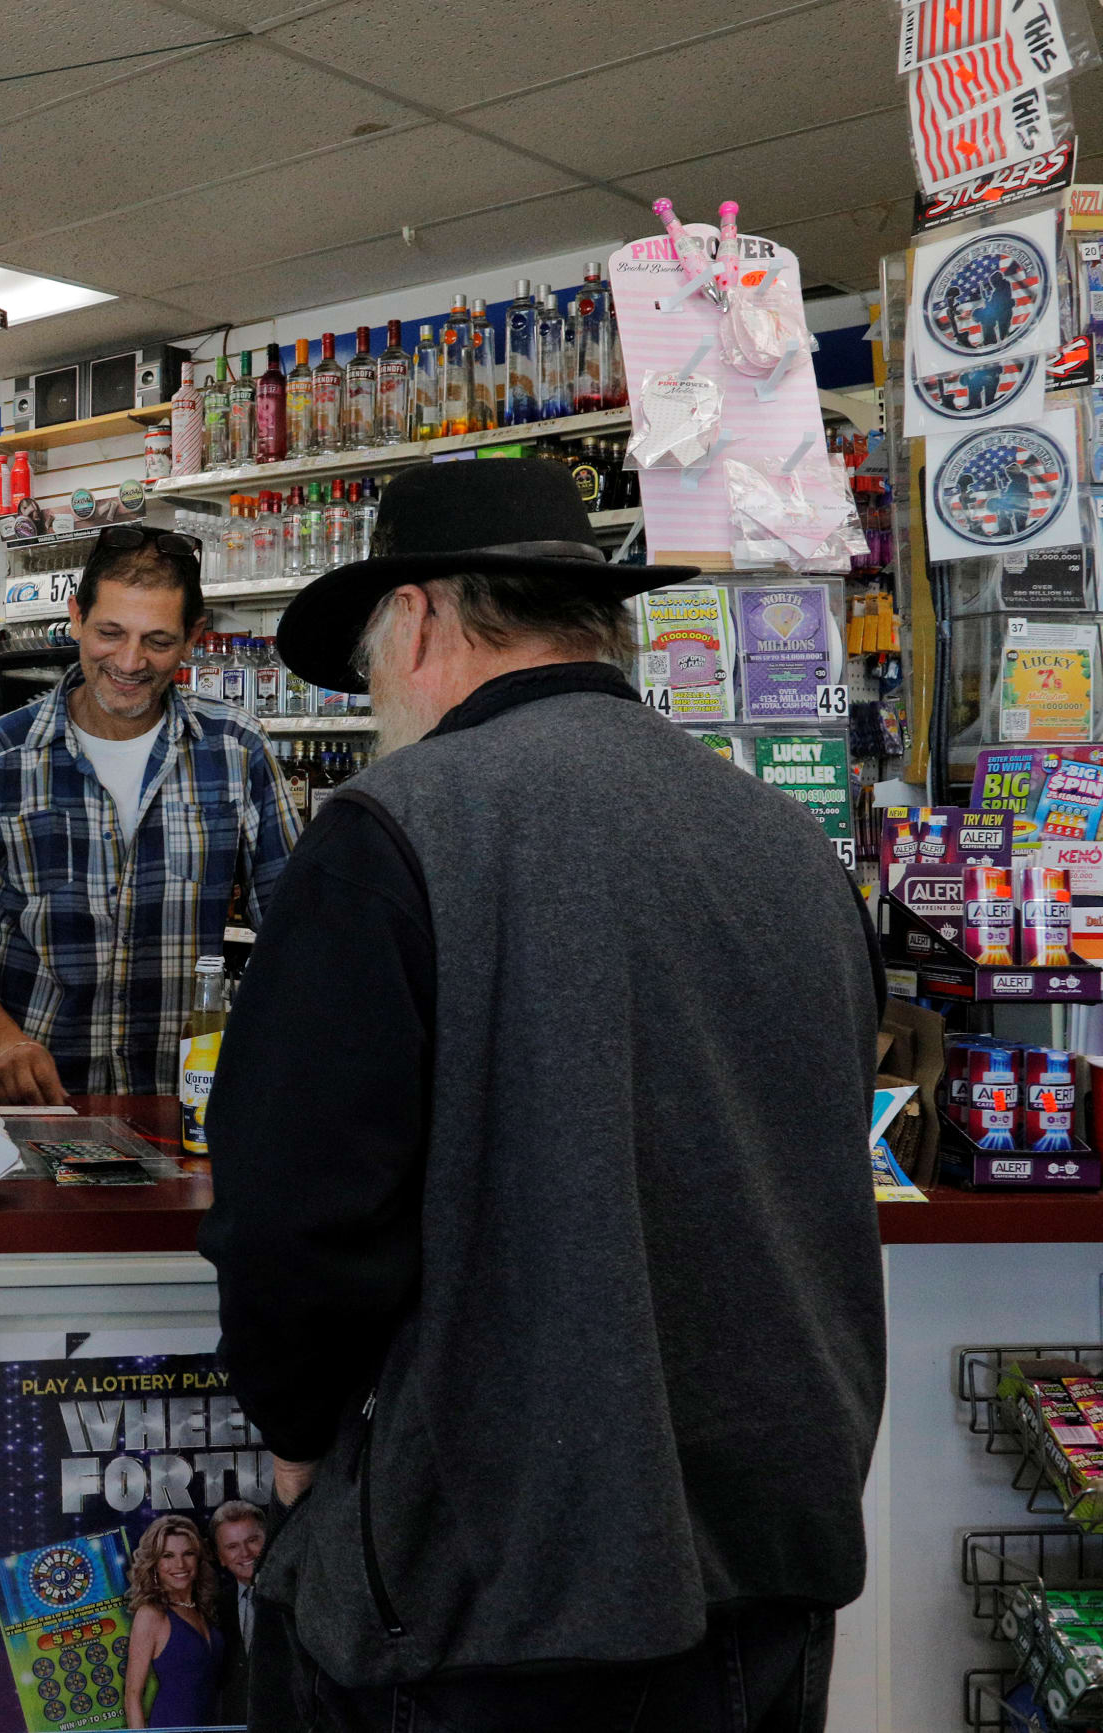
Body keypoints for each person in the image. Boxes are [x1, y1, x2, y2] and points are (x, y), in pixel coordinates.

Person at [196, 459, 884, 1731]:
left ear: (417, 619)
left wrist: (292, 1427)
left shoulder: (392, 827)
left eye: (368, 659)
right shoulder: (785, 845)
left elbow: (297, 1209)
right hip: (761, 1575)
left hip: (480, 1601)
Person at [0, 525, 295, 1104]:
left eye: (158, 640)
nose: (129, 661)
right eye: (109, 632)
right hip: (30, 1101)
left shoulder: (236, 750)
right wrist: (1, 1041)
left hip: (182, 1100)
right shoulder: (1, 756)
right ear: (75, 617)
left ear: (194, 636)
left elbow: (296, 925)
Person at [124, 1514, 224, 1730]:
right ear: (155, 1564)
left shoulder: (203, 1608)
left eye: (188, 1553)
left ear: (198, 1558)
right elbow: (132, 1695)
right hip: (172, 1725)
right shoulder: (151, 1614)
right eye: (168, 1555)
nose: (180, 1564)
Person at [210, 1501, 266, 1726]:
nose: (245, 1553)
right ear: (221, 1557)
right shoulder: (214, 1607)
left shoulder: (297, 1596)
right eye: (232, 1546)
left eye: (253, 1540)